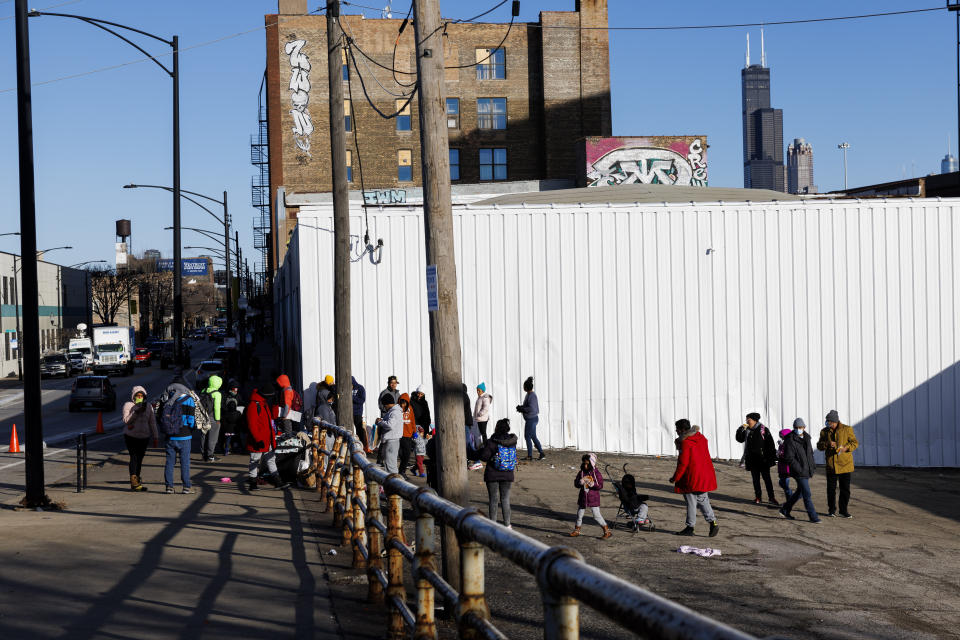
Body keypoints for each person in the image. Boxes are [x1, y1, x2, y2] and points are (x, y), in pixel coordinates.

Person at [670, 419, 719, 537]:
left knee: (691, 501)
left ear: (682, 430)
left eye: (677, 429)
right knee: (703, 499)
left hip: (691, 476)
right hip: (704, 474)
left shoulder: (686, 442)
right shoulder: (701, 438)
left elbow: (683, 463)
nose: (676, 431)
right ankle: (713, 522)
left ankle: (690, 527)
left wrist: (675, 477)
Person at [817, 409, 859, 518]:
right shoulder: (824, 431)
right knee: (831, 490)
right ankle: (831, 510)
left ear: (835, 421)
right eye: (827, 422)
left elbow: (855, 443)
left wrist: (846, 448)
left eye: (829, 422)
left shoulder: (847, 429)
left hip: (845, 465)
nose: (828, 424)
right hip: (831, 465)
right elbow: (819, 446)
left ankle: (843, 510)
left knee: (845, 489)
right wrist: (827, 444)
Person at [476, 418, 518, 529]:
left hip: (492, 474)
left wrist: (480, 449)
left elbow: (484, 457)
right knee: (505, 499)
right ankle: (507, 524)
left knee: (493, 500)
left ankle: (493, 524)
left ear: (497, 428)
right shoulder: (512, 442)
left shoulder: (492, 442)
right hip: (508, 474)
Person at [159, 374, 196, 494]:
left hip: (170, 435)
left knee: (170, 462)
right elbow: (191, 420)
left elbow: (160, 417)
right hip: (184, 436)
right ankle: (186, 487)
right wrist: (190, 429)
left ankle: (169, 487)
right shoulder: (189, 399)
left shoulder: (165, 398)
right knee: (185, 462)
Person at [779, 418, 821, 523]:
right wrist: (799, 468)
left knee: (800, 492)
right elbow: (789, 457)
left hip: (807, 469)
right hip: (798, 471)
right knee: (807, 494)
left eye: (800, 427)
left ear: (804, 427)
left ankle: (785, 509)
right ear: (794, 428)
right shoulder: (790, 439)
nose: (798, 429)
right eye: (796, 428)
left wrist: (812, 466)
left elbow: (810, 453)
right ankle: (813, 517)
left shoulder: (807, 437)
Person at [735, 412, 779, 505]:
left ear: (755, 420)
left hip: (763, 460)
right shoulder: (747, 430)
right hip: (752, 460)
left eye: (749, 419)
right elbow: (739, 439)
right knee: (756, 480)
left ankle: (771, 498)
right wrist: (740, 429)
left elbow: (770, 444)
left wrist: (770, 458)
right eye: (746, 419)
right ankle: (758, 497)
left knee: (767, 480)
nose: (747, 421)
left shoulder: (763, 430)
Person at [121, 385, 158, 492]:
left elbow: (152, 422)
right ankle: (133, 478)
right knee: (134, 457)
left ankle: (136, 481)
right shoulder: (128, 405)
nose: (140, 397)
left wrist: (155, 436)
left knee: (140, 459)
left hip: (144, 436)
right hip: (131, 436)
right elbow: (126, 420)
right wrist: (136, 411)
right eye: (138, 395)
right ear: (134, 396)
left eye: (142, 396)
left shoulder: (149, 406)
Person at [245, 387, 282, 490]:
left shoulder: (263, 403)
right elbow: (252, 425)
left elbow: (273, 417)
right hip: (259, 440)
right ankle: (252, 483)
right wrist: (257, 439)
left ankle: (278, 482)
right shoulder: (254, 405)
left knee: (271, 459)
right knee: (255, 460)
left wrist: (275, 405)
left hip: (267, 438)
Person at [569, 453, 611, 539]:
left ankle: (607, 531)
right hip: (583, 497)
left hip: (593, 498)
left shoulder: (596, 473)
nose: (585, 465)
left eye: (587, 464)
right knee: (579, 515)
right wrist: (579, 483)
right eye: (584, 463)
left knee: (596, 515)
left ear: (592, 464)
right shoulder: (581, 472)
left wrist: (593, 484)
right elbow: (576, 484)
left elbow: (600, 485)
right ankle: (577, 530)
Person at [516, 376, 544, 460]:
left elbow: (532, 408)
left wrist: (522, 409)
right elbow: (528, 407)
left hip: (531, 419)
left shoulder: (532, 396)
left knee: (527, 436)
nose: (523, 387)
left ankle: (530, 455)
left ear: (526, 387)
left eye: (524, 386)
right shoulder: (529, 394)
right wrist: (521, 408)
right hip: (531, 419)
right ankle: (541, 453)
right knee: (533, 436)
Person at [376, 392, 403, 474]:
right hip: (392, 440)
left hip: (392, 440)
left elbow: (390, 425)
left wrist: (380, 422)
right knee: (390, 464)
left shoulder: (394, 412)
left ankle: (394, 484)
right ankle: (393, 483)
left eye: (384, 405)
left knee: (390, 465)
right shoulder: (394, 411)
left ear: (387, 404)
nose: (384, 407)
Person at [199, 375, 223, 463]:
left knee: (203, 436)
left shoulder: (203, 390)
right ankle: (210, 455)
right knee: (213, 437)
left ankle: (203, 455)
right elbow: (217, 407)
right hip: (212, 417)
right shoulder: (217, 393)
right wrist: (218, 419)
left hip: (203, 416)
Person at [220, 380, 243, 455]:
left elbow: (241, 402)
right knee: (225, 436)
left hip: (235, 418)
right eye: (233, 390)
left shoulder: (238, 396)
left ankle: (234, 447)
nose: (235, 392)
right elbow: (222, 405)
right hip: (226, 417)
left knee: (235, 436)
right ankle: (225, 447)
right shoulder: (224, 395)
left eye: (236, 390)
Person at [398, 393, 416, 478]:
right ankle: (401, 471)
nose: (402, 405)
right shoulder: (397, 409)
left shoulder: (410, 409)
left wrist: (414, 431)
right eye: (401, 402)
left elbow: (412, 420)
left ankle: (402, 471)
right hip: (400, 434)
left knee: (407, 454)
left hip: (408, 434)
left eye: (404, 403)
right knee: (403, 454)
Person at [351, 376, 371, 453]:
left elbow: (362, 400)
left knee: (359, 430)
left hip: (357, 412)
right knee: (348, 429)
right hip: (347, 413)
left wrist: (352, 397)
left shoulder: (360, 388)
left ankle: (363, 447)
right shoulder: (346, 388)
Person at [775, 427, 794, 502]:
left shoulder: (789, 444)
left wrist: (780, 453)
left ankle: (790, 500)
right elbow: (779, 454)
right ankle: (790, 499)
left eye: (782, 436)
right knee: (781, 483)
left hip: (787, 468)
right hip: (781, 467)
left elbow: (786, 455)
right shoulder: (782, 444)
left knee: (785, 485)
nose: (781, 437)